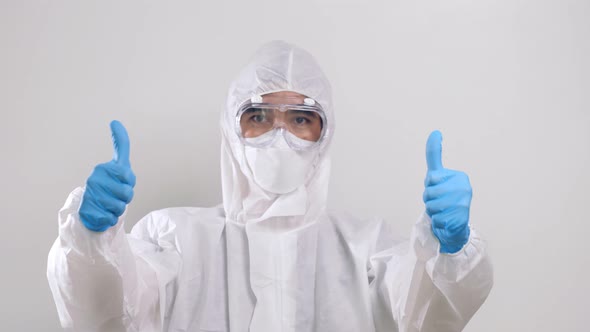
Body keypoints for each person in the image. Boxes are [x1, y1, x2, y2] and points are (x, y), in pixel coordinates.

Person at [47, 40, 493, 332]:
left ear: (325, 135)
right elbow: (102, 318)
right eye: (258, 117)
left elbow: (425, 317)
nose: (279, 134)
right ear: (230, 129)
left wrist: (448, 251)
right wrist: (92, 239)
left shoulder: (365, 248)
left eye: (301, 119)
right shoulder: (175, 238)